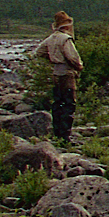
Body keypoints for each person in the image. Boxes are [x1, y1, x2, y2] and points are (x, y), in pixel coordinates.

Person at [34, 11, 84, 142]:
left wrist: (52, 58)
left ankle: (57, 133)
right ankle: (65, 136)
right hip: (67, 73)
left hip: (56, 73)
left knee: (57, 103)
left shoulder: (51, 38)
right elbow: (73, 57)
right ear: (66, 25)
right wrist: (79, 67)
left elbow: (39, 52)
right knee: (69, 104)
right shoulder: (65, 39)